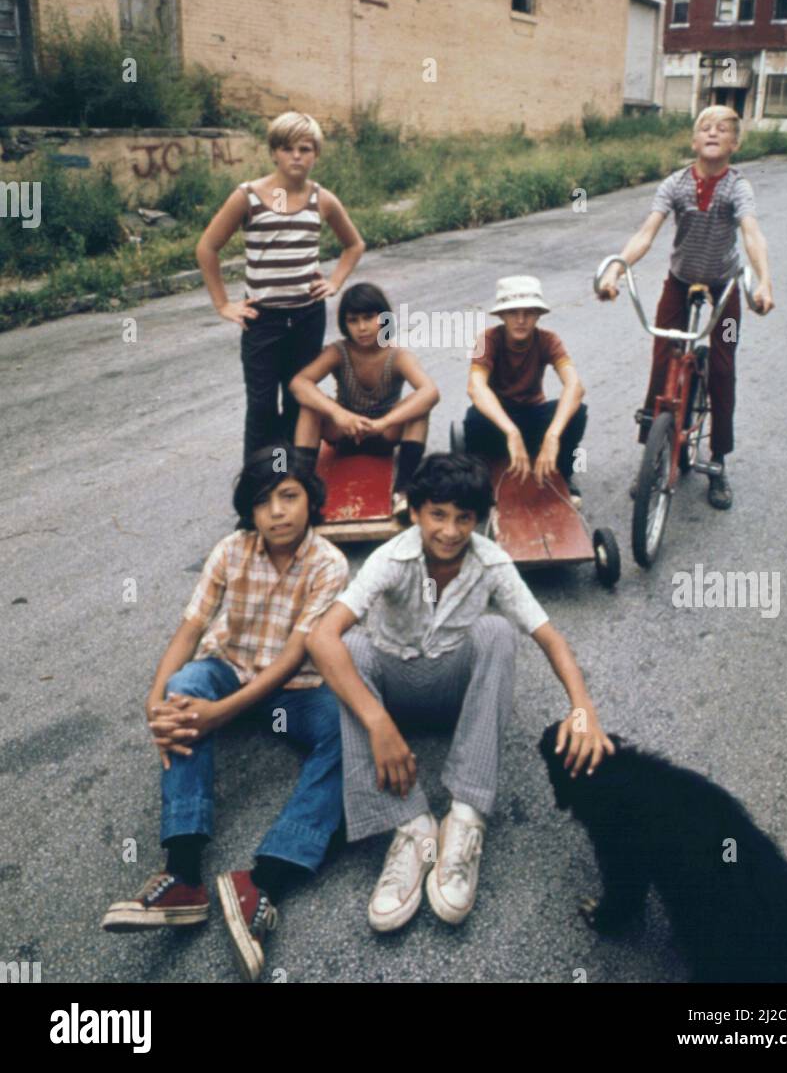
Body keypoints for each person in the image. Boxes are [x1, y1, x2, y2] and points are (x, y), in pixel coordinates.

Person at [307, 453, 613, 933]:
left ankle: (465, 818)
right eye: (438, 515)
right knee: (350, 647)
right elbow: (320, 638)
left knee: (496, 632)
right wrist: (378, 723)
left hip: (451, 694)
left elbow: (549, 636)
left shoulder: (491, 561)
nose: (449, 531)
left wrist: (583, 710)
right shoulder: (391, 557)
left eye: (463, 518)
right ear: (414, 512)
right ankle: (410, 827)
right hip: (393, 693)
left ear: (480, 520)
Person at [100, 446, 349, 982]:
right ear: (249, 511)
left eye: (289, 496)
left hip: (293, 689)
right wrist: (157, 699)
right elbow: (191, 630)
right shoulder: (231, 550)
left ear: (311, 500)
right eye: (263, 502)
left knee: (349, 731)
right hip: (228, 669)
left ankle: (263, 880)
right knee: (183, 686)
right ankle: (183, 873)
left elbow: (289, 662)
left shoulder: (330, 564)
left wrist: (219, 716)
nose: (278, 512)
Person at [597, 105, 774, 510]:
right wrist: (617, 272)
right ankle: (652, 454)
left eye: (723, 129)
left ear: (735, 143)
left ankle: (718, 460)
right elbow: (647, 232)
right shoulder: (675, 184)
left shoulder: (737, 187)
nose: (713, 133)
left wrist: (763, 280)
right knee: (662, 359)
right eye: (705, 128)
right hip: (680, 281)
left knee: (724, 366)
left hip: (725, 286)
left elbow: (752, 234)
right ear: (694, 141)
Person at [196, 111, 365, 461]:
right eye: (287, 148)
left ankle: (290, 479)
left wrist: (334, 282)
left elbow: (354, 244)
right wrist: (223, 305)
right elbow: (207, 247)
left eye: (305, 148)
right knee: (260, 404)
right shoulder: (248, 196)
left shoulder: (322, 199)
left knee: (297, 399)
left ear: (316, 154)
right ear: (274, 152)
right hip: (263, 320)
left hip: (306, 317)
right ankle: (257, 489)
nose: (297, 156)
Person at [290, 281, 439, 517]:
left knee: (420, 408)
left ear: (384, 319)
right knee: (310, 407)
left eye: (369, 317)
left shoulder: (398, 356)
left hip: (384, 433)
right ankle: (302, 490)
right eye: (353, 320)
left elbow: (430, 392)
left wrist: (384, 423)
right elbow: (299, 383)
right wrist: (339, 414)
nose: (362, 327)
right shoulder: (338, 351)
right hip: (344, 432)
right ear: (344, 325)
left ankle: (403, 492)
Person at [464, 275, 587, 505]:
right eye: (513, 313)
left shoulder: (549, 340)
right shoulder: (487, 339)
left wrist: (553, 435)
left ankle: (563, 474)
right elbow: (476, 386)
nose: (521, 320)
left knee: (577, 411)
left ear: (538, 315)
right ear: (501, 315)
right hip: (498, 420)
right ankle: (482, 480)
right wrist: (511, 432)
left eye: (529, 312)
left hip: (533, 416)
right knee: (474, 419)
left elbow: (575, 386)